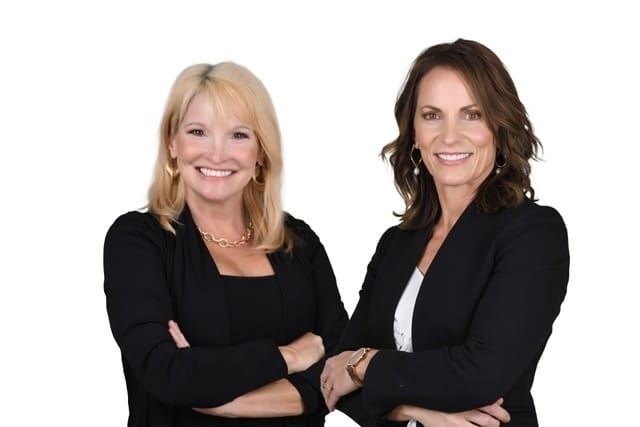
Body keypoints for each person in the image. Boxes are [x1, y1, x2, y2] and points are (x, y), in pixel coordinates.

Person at [320, 38, 570, 427]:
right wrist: (415, 411)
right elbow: (335, 379)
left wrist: (367, 364)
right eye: (432, 115)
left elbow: (481, 374)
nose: (449, 136)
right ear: (414, 133)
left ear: (499, 127)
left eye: (471, 115)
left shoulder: (533, 234)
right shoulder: (396, 243)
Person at [103, 62, 349, 426]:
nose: (217, 154)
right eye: (198, 132)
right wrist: (290, 357)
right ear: (172, 143)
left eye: (238, 135)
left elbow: (343, 366)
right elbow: (165, 372)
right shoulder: (138, 241)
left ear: (261, 152)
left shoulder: (299, 243)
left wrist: (224, 401)